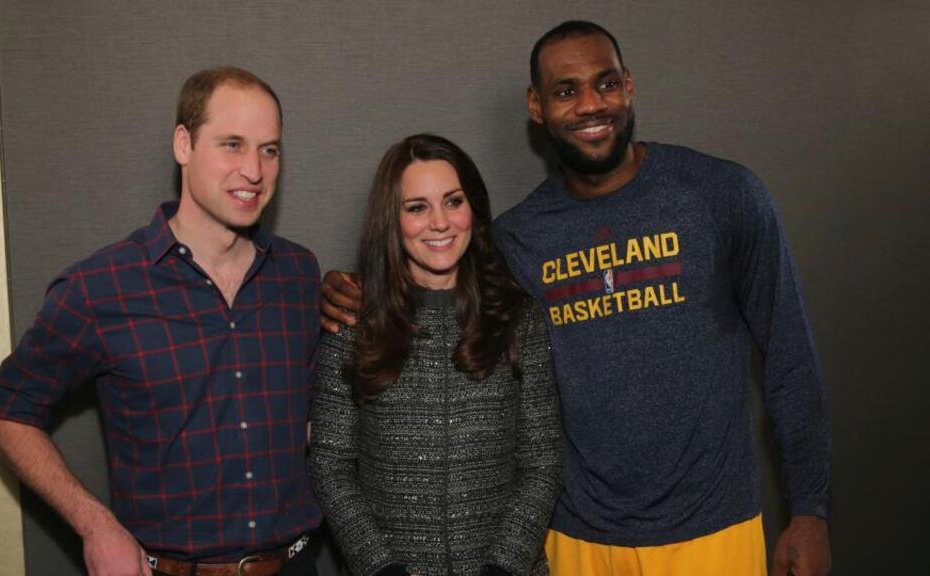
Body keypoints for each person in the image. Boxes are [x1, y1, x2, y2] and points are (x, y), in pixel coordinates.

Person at [320, 21, 832, 576]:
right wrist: (354, 289)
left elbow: (790, 359)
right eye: (566, 90)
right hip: (575, 537)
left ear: (629, 85)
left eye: (606, 83)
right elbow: (437, 283)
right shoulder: (517, 238)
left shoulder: (723, 195)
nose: (591, 104)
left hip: (711, 527)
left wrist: (810, 510)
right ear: (536, 107)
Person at [0, 67, 322, 576]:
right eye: (232, 144)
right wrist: (95, 525)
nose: (253, 170)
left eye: (269, 149)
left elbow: (318, 419)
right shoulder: (102, 287)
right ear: (184, 144)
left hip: (295, 566)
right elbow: (7, 416)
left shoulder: (298, 275)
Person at [308, 134, 562, 576]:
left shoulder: (519, 318)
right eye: (417, 207)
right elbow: (330, 464)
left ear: (473, 209)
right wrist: (381, 568)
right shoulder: (351, 321)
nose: (440, 222)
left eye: (453, 201)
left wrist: (504, 567)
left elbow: (542, 462)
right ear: (392, 219)